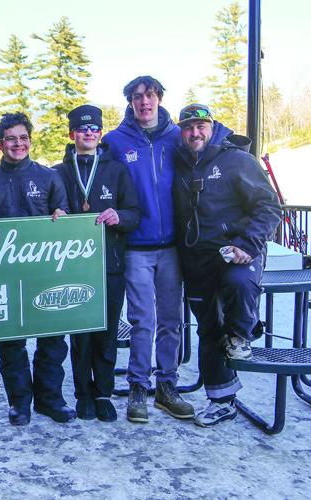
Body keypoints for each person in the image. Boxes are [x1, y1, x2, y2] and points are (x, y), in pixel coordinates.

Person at [172, 103, 281, 426]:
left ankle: (243, 332)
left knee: (238, 284)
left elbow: (269, 206)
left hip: (238, 250)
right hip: (197, 258)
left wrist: (248, 243)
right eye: (188, 127)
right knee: (208, 328)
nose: (195, 132)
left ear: (212, 127)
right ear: (182, 132)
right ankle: (221, 399)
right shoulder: (179, 164)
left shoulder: (237, 161)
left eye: (201, 126)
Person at [101, 76, 194, 423]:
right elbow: (85, 165)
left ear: (159, 98)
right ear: (129, 101)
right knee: (143, 320)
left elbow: (213, 139)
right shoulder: (114, 141)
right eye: (137, 97)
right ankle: (139, 386)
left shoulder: (177, 135)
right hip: (135, 246)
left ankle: (167, 386)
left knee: (171, 321)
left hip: (172, 246)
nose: (144, 102)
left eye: (150, 95)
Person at [0, 112, 76, 426]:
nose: (17, 144)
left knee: (52, 342)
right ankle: (19, 403)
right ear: (0, 143)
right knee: (10, 345)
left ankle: (51, 400)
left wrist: (62, 213)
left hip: (46, 273)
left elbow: (64, 216)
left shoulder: (49, 177)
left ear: (30, 141)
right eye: (11, 138)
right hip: (5, 275)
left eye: (23, 138)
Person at [53, 105, 140, 422]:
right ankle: (83, 394)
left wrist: (119, 216)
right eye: (82, 129)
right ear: (72, 133)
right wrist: (55, 215)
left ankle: (103, 392)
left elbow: (135, 212)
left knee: (106, 332)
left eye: (94, 129)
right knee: (80, 334)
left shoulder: (116, 170)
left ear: (100, 133)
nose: (88, 133)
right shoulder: (58, 171)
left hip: (109, 264)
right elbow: (48, 210)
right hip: (73, 267)